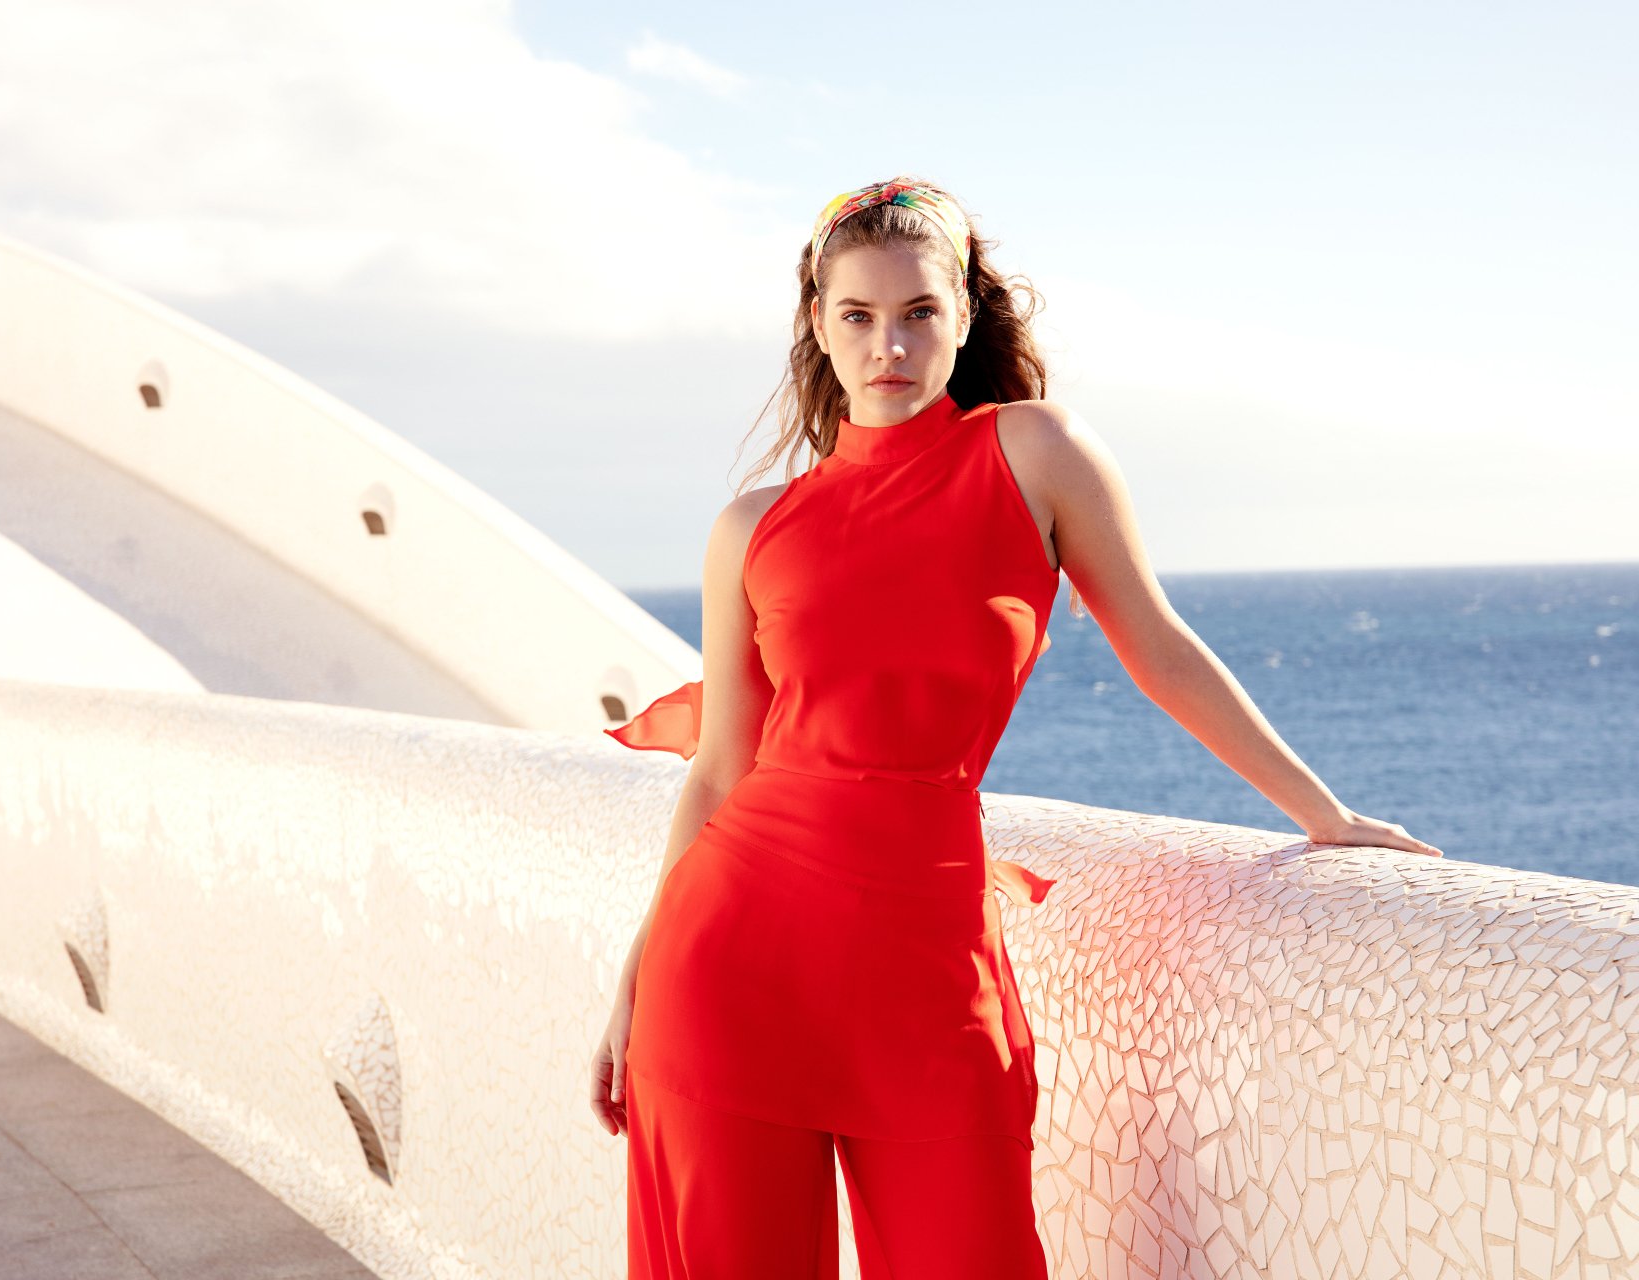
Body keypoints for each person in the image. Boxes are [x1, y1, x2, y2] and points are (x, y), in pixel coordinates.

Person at [589, 175, 1443, 1279]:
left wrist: (1321, 813)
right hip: (731, 966)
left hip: (926, 966)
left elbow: (1162, 650)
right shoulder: (754, 525)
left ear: (963, 315)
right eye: (856, 316)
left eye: (917, 313)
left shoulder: (1035, 453)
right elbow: (717, 773)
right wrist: (637, 973)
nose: (886, 344)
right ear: (818, 322)